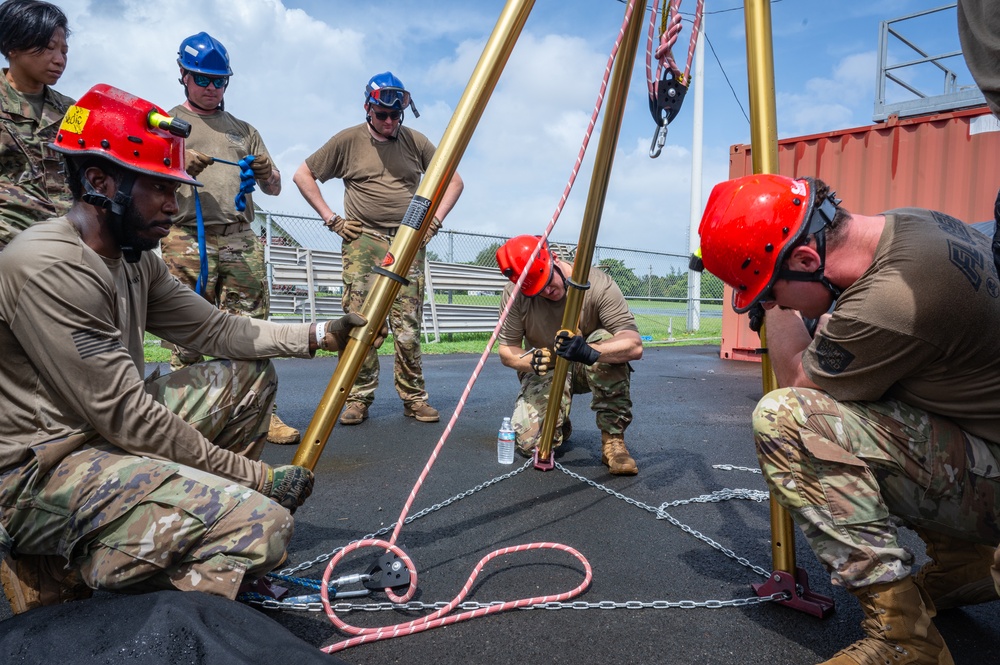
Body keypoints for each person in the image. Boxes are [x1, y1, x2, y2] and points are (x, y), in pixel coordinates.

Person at [0, 83, 365, 615]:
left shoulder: (133, 256)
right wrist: (259, 481)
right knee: (261, 530)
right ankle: (64, 561)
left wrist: (318, 335)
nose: (175, 205)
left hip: (101, 436)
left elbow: (217, 330)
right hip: (40, 473)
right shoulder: (48, 265)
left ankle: (174, 516)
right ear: (100, 182)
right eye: (159, 189)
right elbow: (126, 416)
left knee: (247, 377)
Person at [697, 173, 1000, 664]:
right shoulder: (912, 226)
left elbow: (798, 380)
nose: (775, 300)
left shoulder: (887, 302)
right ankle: (966, 567)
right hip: (981, 439)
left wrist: (774, 311)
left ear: (806, 259)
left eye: (774, 290)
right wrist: (782, 295)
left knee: (789, 422)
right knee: (884, 397)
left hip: (992, 474)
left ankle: (906, 640)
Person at [292, 71, 464, 426]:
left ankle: (414, 398)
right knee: (360, 321)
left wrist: (434, 222)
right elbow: (302, 174)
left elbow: (454, 181)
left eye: (395, 116)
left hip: (407, 238)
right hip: (363, 239)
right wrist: (332, 219)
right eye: (382, 115)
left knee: (408, 326)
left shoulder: (415, 142)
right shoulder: (348, 140)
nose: (389, 122)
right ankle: (357, 397)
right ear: (368, 109)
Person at [159, 31, 300, 446]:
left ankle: (260, 414)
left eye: (220, 81)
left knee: (251, 327)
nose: (211, 88)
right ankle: (182, 418)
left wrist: (265, 173)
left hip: (239, 237)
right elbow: (142, 178)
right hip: (186, 237)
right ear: (183, 75)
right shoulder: (167, 123)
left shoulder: (244, 130)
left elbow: (274, 188)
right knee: (186, 327)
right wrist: (177, 162)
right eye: (203, 79)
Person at [494, 236, 643, 475]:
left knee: (607, 342)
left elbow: (634, 345)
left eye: (548, 282)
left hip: (589, 365)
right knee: (530, 443)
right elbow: (506, 350)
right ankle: (558, 424)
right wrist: (530, 361)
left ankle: (613, 442)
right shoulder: (515, 293)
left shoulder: (597, 283)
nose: (547, 291)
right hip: (548, 371)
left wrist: (590, 351)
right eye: (537, 291)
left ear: (553, 259)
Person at [0, 0, 73, 250]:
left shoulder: (73, 111)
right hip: (8, 245)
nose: (59, 60)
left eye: (64, 51)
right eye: (48, 48)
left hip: (67, 244)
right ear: (13, 46)